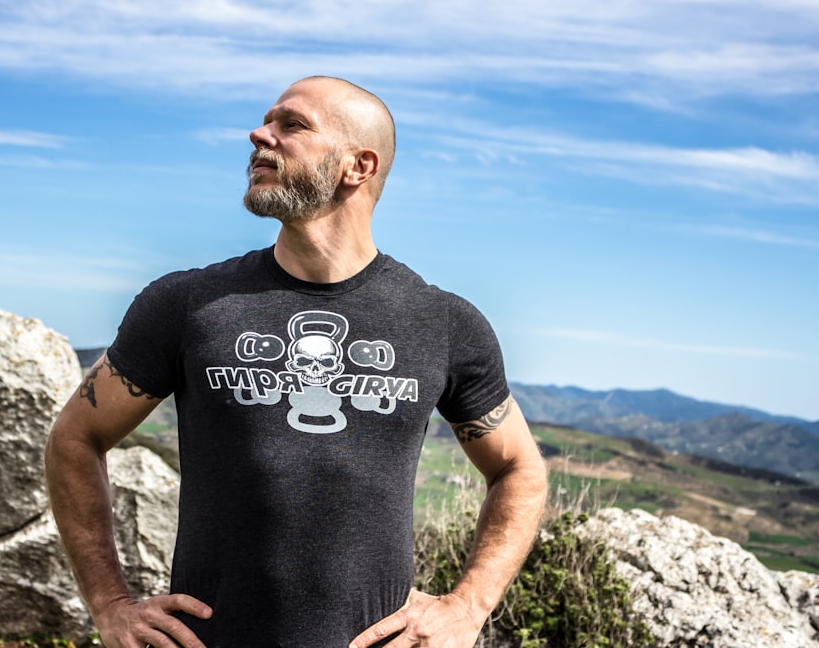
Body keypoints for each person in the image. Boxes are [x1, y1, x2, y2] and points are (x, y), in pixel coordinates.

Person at [45, 76, 548, 648]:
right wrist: (110, 604)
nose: (259, 135)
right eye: (267, 122)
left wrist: (467, 606)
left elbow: (520, 470)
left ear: (358, 166)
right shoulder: (189, 304)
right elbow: (75, 439)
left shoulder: (442, 322)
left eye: (293, 125)